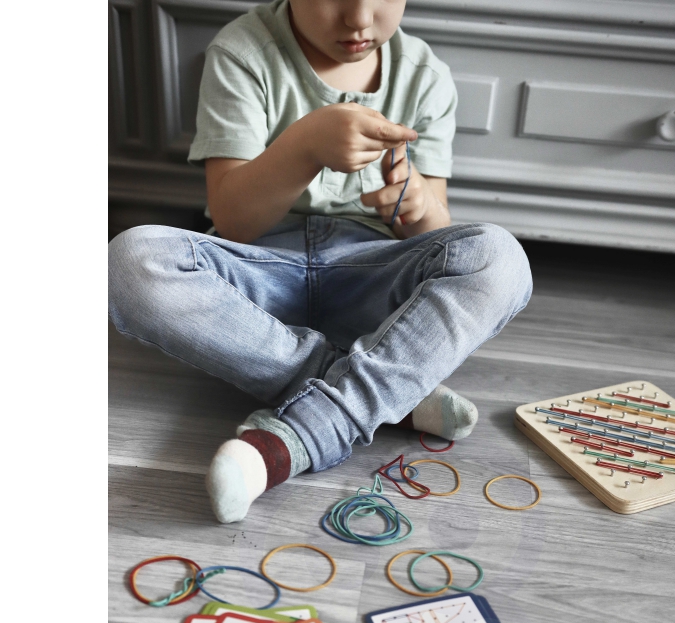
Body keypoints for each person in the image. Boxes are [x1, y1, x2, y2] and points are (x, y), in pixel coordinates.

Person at [108, 0, 532, 524]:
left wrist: (418, 204)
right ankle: (385, 391)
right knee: (129, 260)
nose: (359, 19)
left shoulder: (424, 75)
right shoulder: (243, 52)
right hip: (259, 281)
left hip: (371, 278)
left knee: (500, 258)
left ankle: (300, 435)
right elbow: (235, 223)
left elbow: (438, 238)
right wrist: (305, 146)